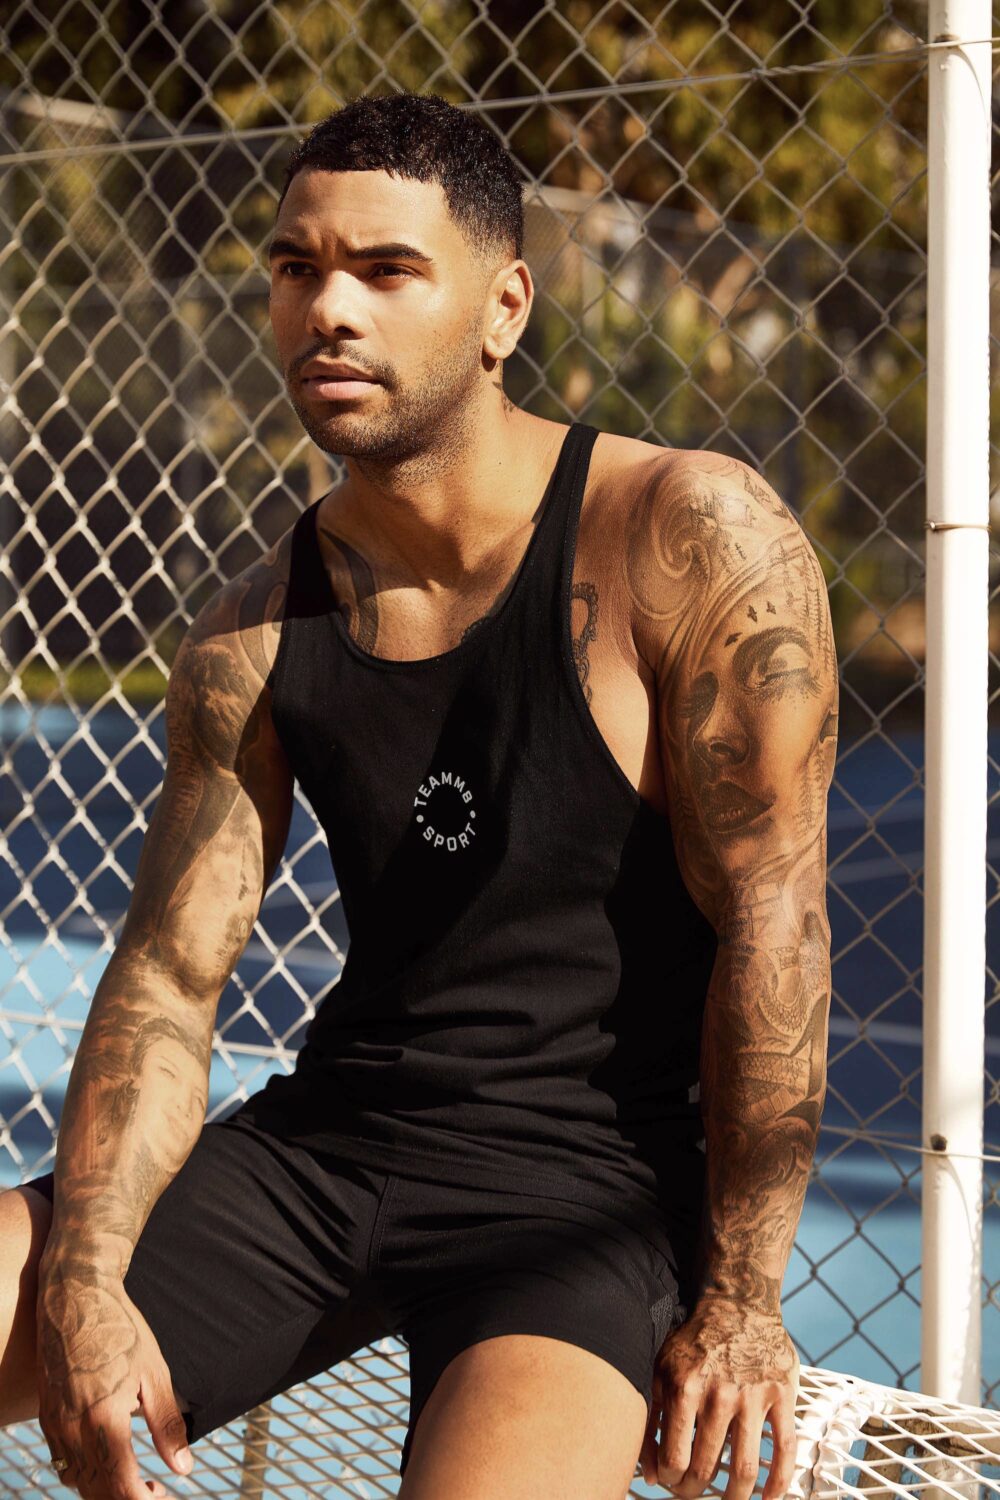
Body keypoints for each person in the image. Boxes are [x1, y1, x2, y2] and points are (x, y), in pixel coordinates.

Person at [0, 91, 838, 1500]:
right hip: (328, 1148)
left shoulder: (689, 537)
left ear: (504, 307)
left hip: (586, 1196)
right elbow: (167, 981)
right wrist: (83, 1281)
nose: (329, 309)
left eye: (387, 270)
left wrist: (744, 1303)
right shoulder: (252, 630)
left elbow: (778, 924)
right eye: (297, 267)